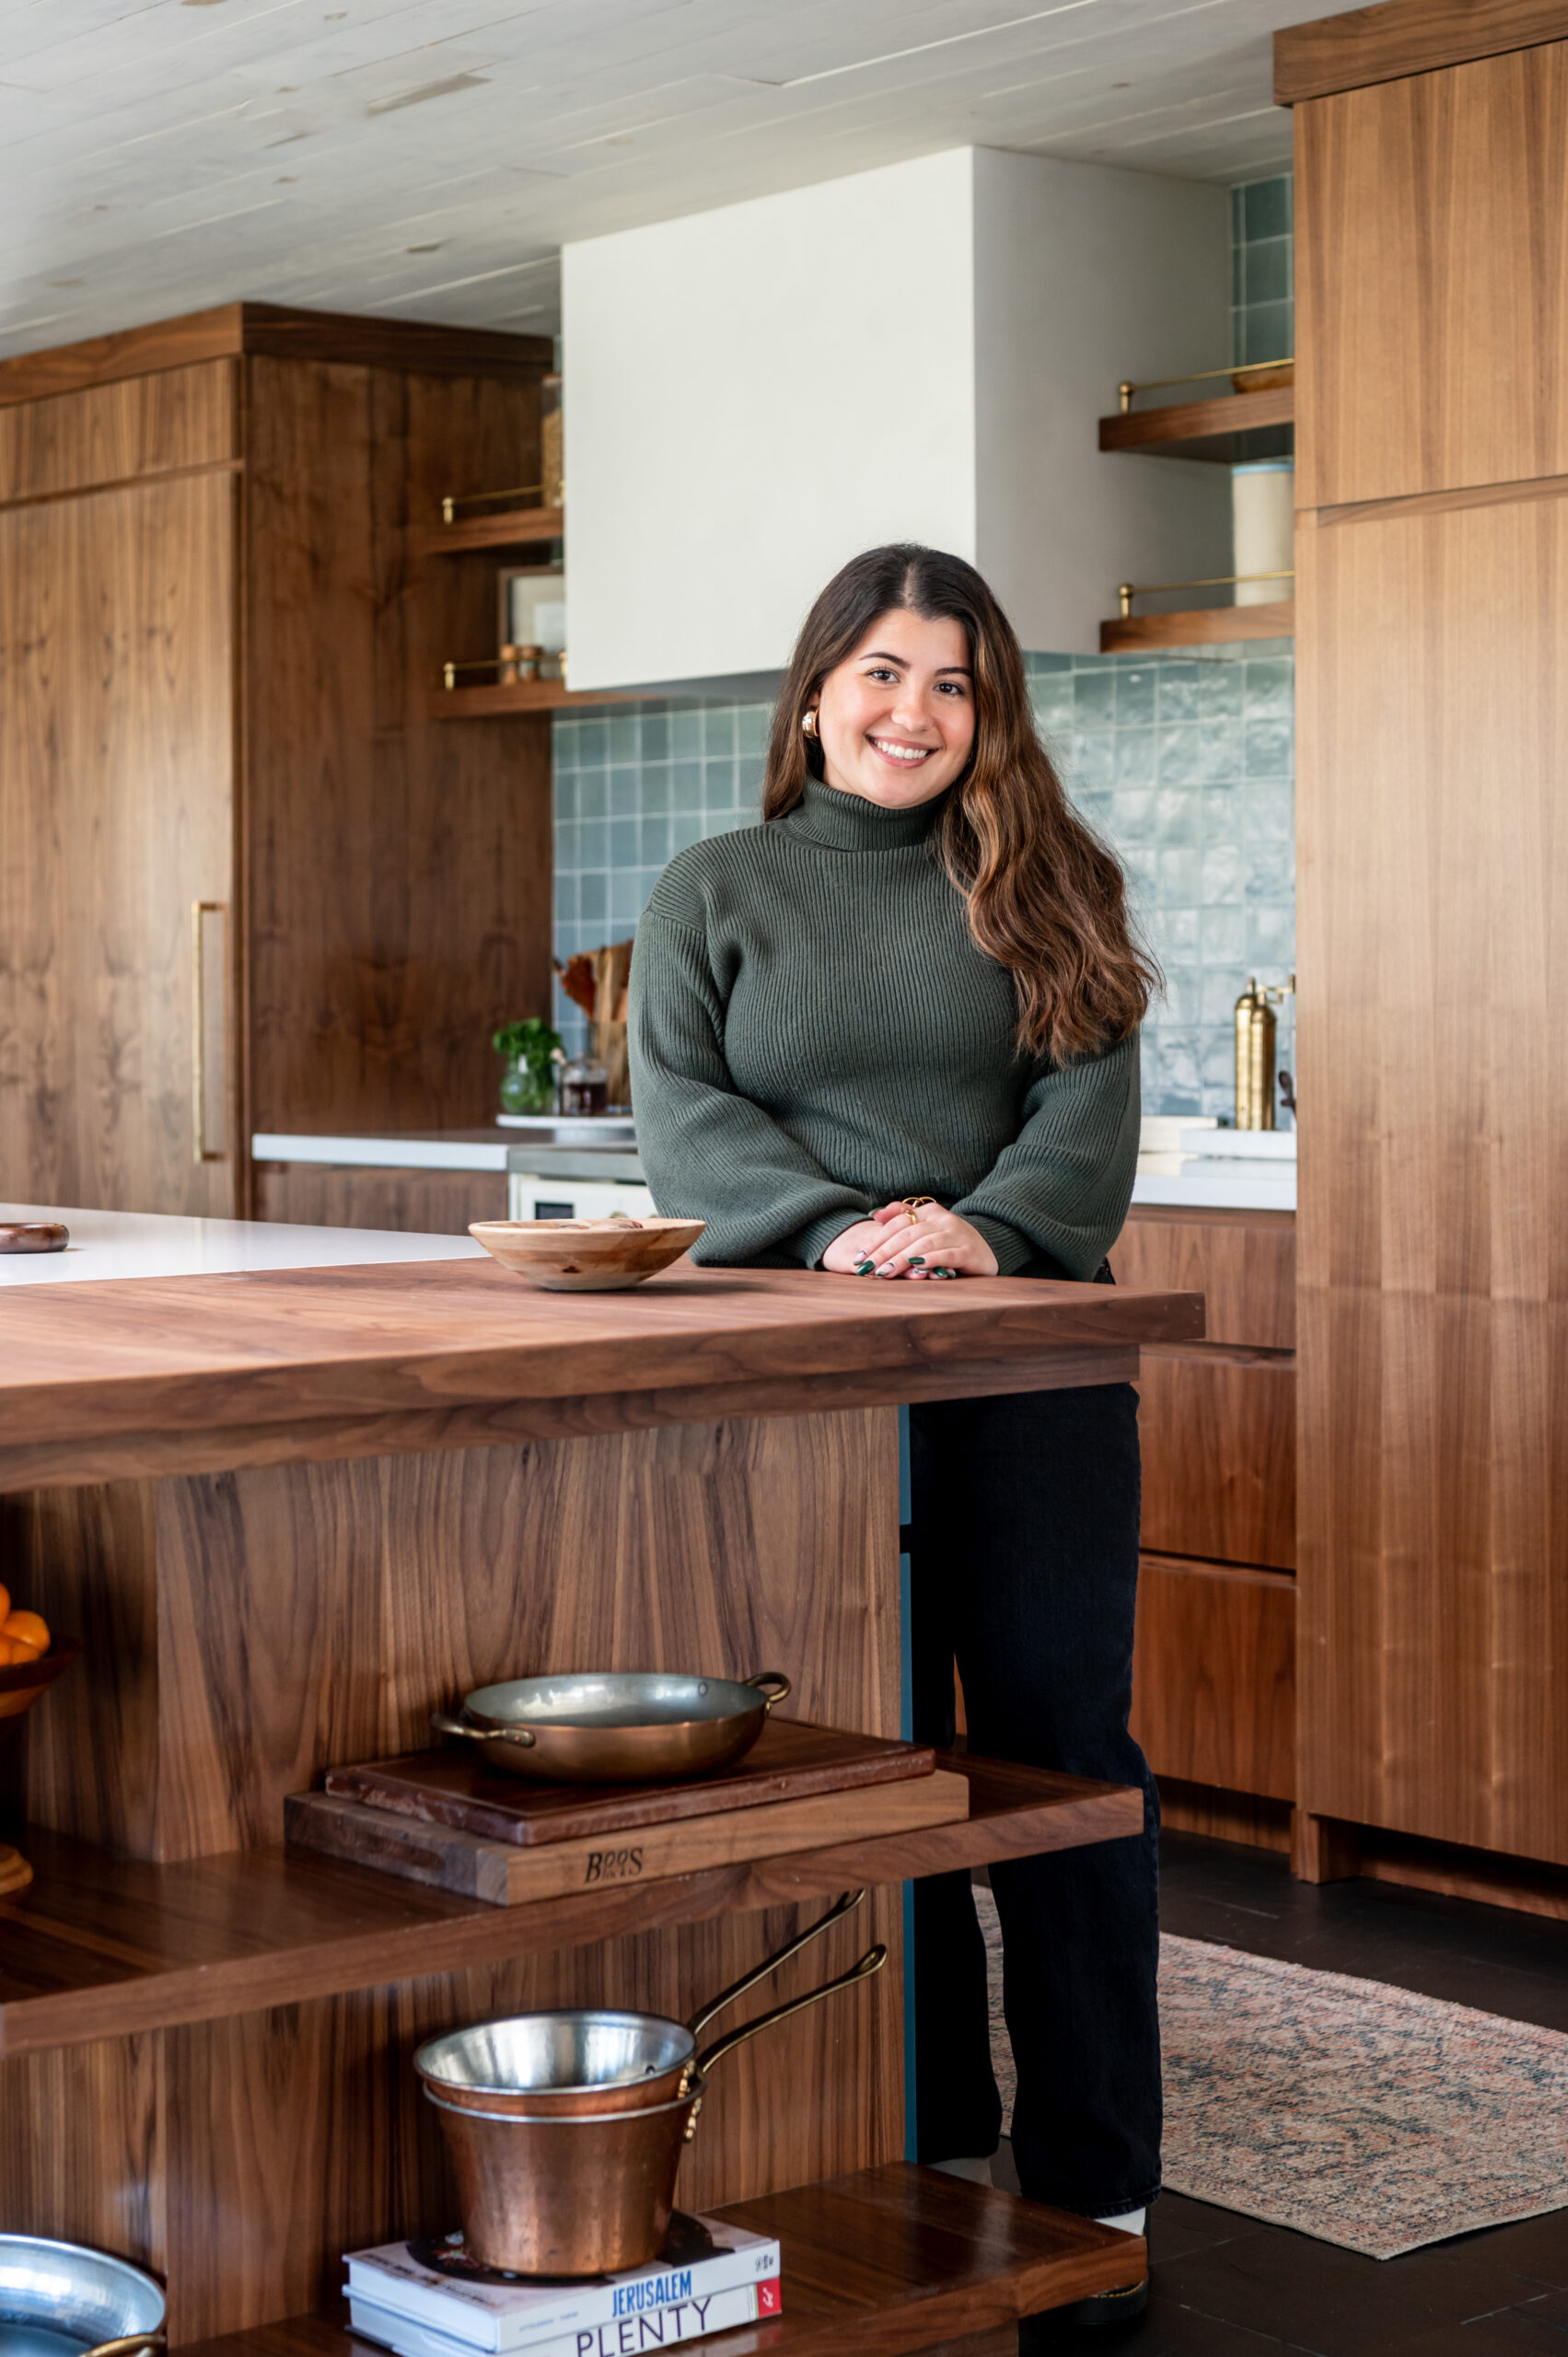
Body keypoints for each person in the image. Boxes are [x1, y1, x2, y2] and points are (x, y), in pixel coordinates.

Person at [628, 543, 1160, 2332]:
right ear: (811, 691)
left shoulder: (1049, 877)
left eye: (950, 681)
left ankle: (1098, 2170)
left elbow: (1090, 1099)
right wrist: (840, 1227)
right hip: (805, 1378)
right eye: (879, 671)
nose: (911, 710)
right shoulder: (719, 882)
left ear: (987, 709)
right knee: (868, 1751)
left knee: (1060, 1750)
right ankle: (927, 2130)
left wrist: (990, 1230)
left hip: (1027, 1365)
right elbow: (680, 1111)